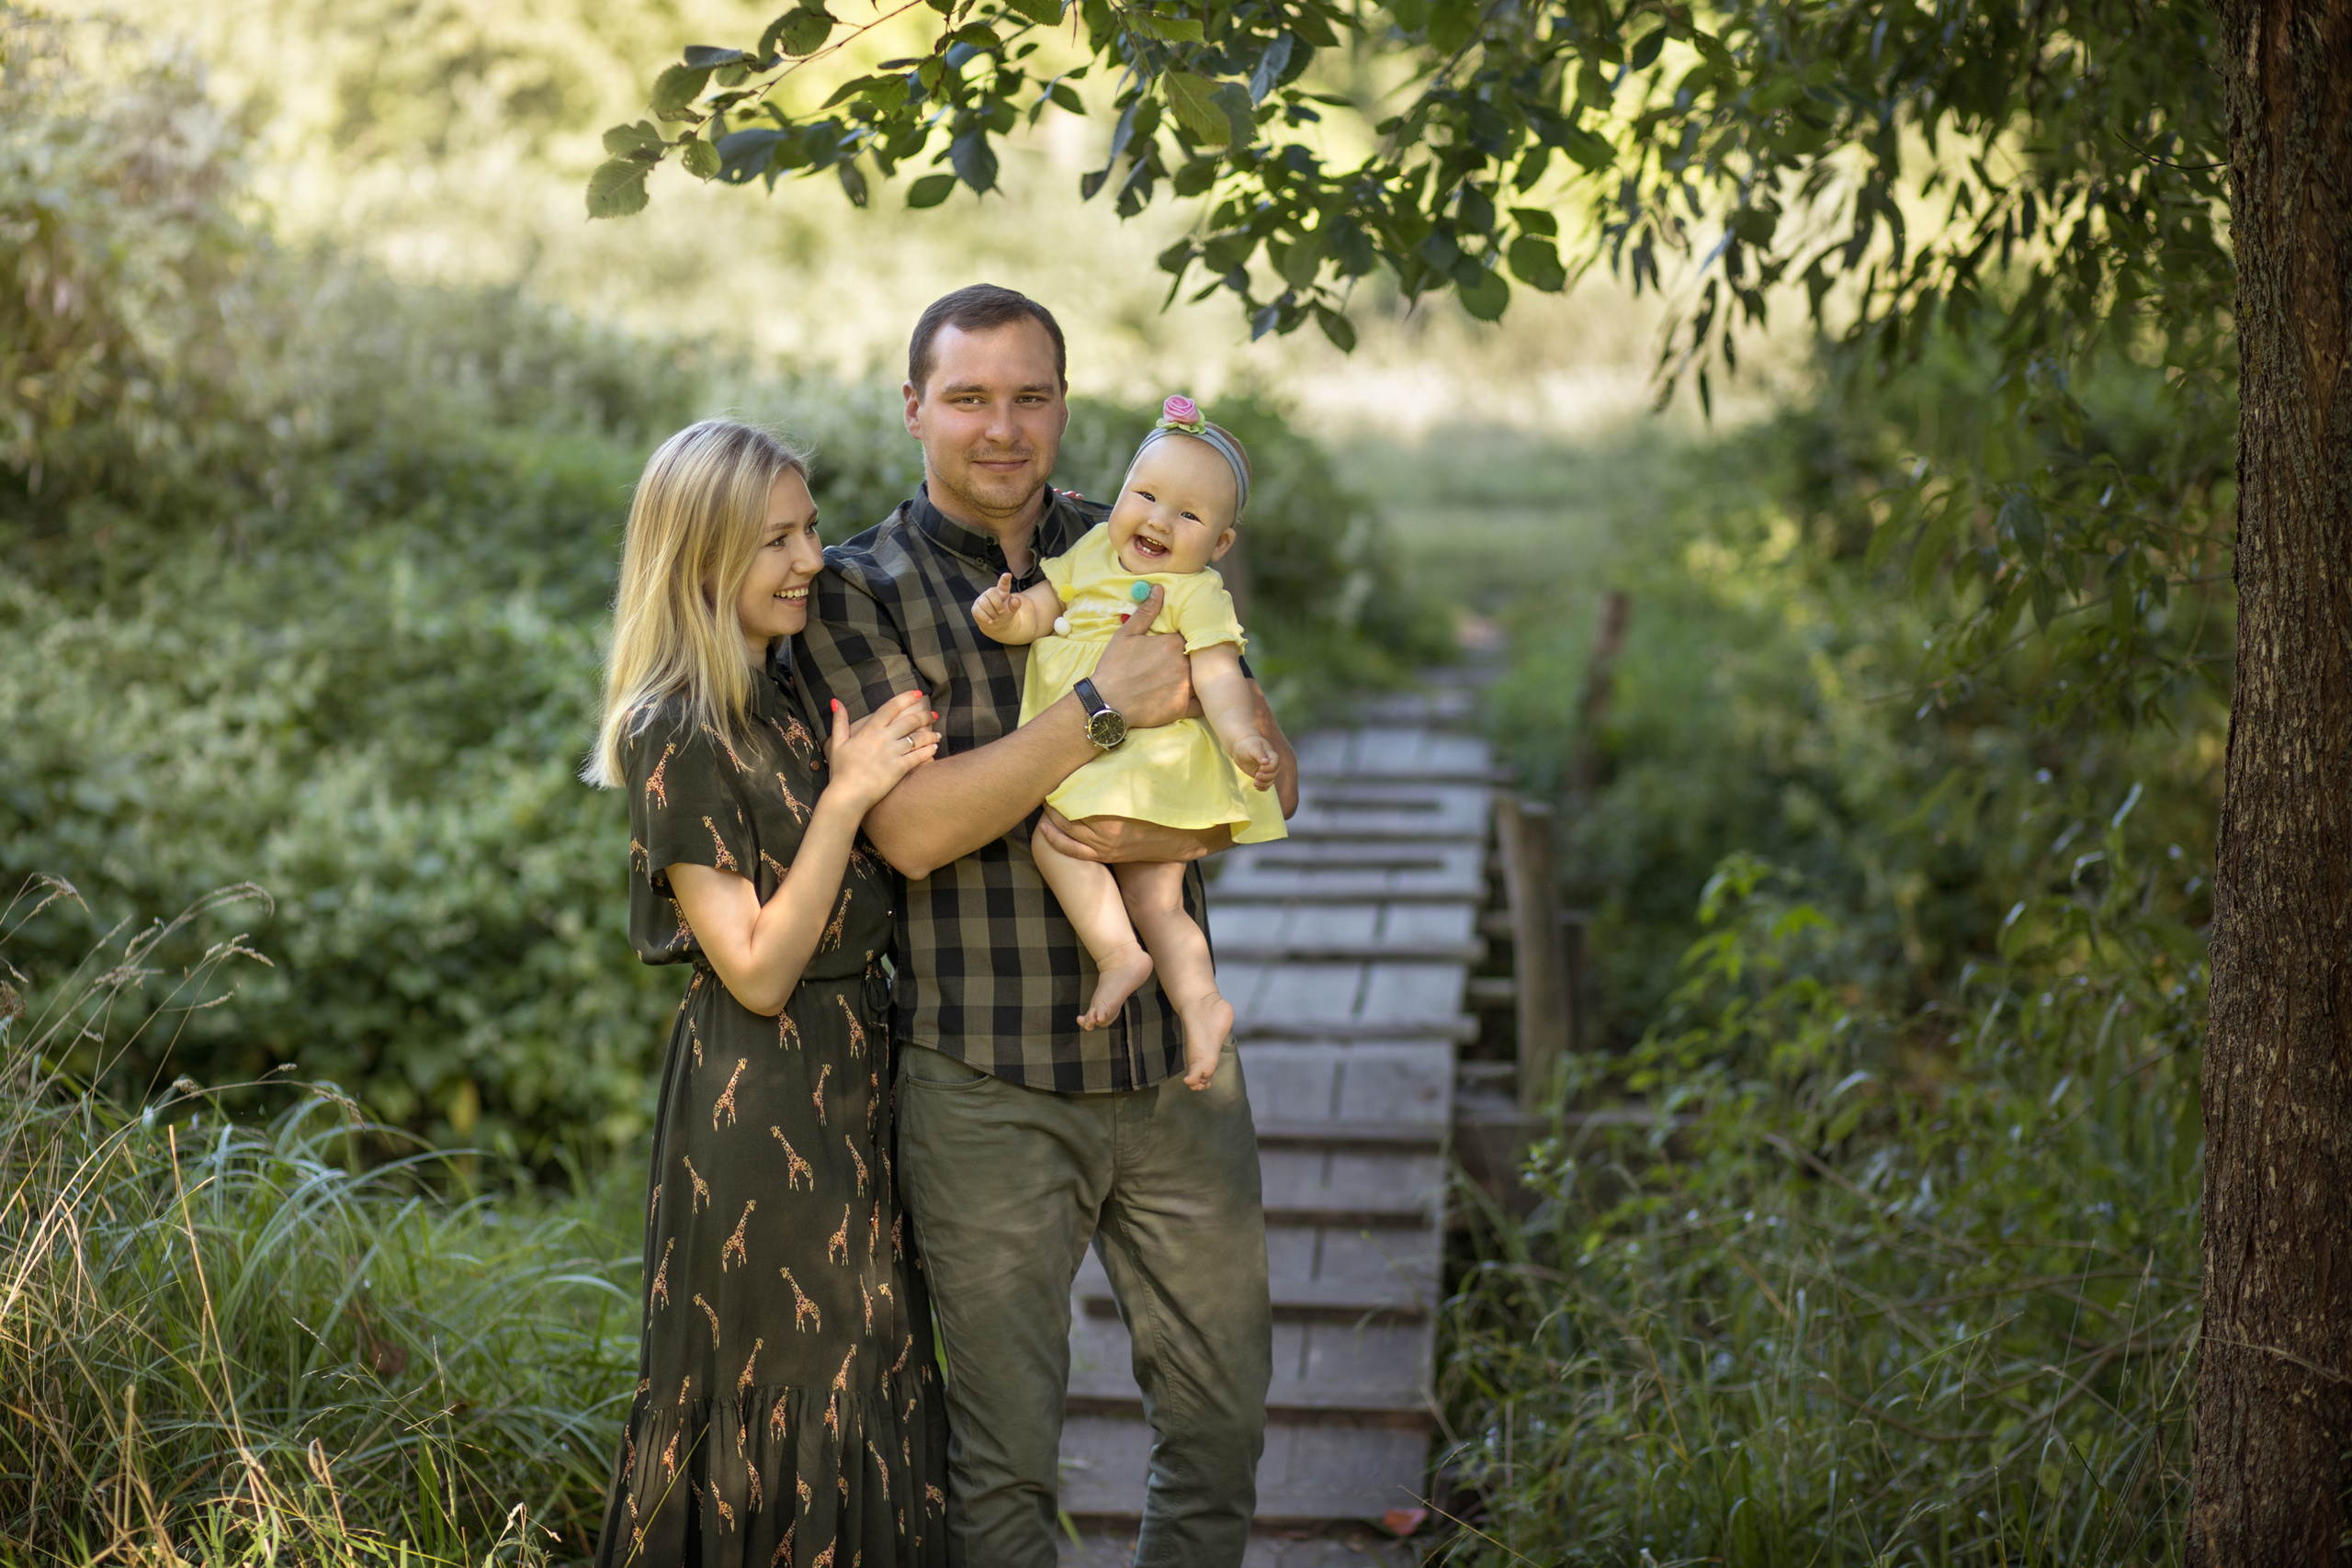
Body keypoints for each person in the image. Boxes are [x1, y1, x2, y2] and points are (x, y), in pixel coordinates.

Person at [793, 284, 1296, 1568]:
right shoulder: (860, 589)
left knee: (1222, 1421)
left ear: (1066, 405)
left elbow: (1264, 779)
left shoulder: (1148, 538)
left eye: (1030, 396)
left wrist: (1165, 832)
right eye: (968, 397)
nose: (1001, 427)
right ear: (914, 407)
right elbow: (906, 831)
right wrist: (1098, 711)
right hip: (990, 1078)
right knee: (1006, 1457)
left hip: (1172, 1074)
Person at [584, 418, 949, 1568]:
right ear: (698, 560)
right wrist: (846, 802)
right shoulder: (672, 729)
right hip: (761, 1096)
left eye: (807, 528)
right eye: (773, 542)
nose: (810, 561)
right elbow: (752, 964)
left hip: (860, 1062)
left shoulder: (793, 686)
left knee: (878, 1366)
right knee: (789, 1386)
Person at [970, 393, 1286, 1089]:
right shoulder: (1090, 553)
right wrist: (1005, 613)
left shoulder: (1198, 593)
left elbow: (1221, 678)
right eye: (1145, 495)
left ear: (1220, 546)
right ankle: (1202, 1006)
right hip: (1121, 761)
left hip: (1136, 762)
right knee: (1162, 904)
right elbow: (1039, 613)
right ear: (1118, 494)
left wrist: (1242, 741)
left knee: (1057, 838)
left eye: (1190, 515)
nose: (1159, 520)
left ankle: (1118, 954)